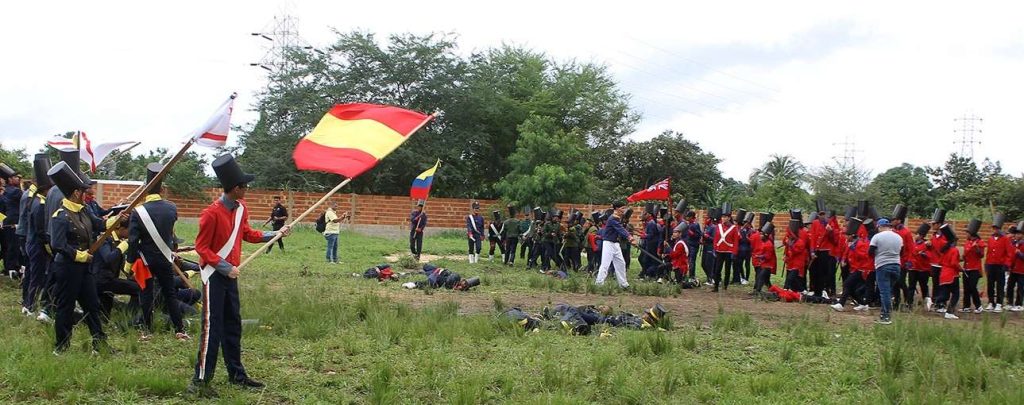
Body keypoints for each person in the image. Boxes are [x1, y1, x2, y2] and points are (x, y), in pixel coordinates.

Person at [189, 154, 291, 397]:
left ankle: (237, 375)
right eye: (245, 185)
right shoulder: (211, 213)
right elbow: (201, 248)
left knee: (232, 324)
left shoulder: (241, 208)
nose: (247, 189)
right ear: (236, 188)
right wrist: (224, 267)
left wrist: (275, 235)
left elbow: (247, 233)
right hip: (214, 275)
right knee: (211, 328)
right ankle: (199, 382)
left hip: (230, 276)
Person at [46, 161, 115, 354]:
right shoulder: (60, 216)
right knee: (65, 308)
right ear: (77, 193)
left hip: (84, 269)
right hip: (67, 268)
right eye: (85, 191)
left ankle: (100, 345)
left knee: (92, 305)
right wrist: (78, 255)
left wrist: (117, 219)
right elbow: (57, 245)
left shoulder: (84, 210)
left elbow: (99, 225)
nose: (87, 194)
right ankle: (61, 347)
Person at [127, 163, 188, 341]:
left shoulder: (138, 212)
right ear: (161, 188)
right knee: (170, 293)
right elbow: (169, 232)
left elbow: (132, 241)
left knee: (146, 293)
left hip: (145, 259)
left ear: (146, 190)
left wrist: (129, 261)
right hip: (164, 257)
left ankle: (147, 330)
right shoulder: (171, 208)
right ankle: (179, 329)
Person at [92, 216, 141, 320]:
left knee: (104, 317)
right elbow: (108, 258)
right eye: (130, 230)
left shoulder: (118, 241)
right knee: (139, 289)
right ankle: (131, 319)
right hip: (102, 280)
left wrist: (130, 274)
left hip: (109, 279)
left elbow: (120, 263)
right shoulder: (105, 239)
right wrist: (123, 246)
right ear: (122, 229)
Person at [22, 155, 53, 318]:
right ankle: (30, 305)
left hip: (33, 243)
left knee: (35, 275)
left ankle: (29, 303)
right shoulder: (40, 205)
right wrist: (48, 246)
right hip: (37, 245)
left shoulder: (36, 201)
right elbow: (41, 231)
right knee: (37, 277)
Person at [869, 218, 903, 325]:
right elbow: (902, 252)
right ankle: (886, 312)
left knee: (885, 292)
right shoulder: (898, 237)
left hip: (882, 265)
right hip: (896, 266)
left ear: (880, 226)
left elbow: (870, 252)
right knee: (888, 290)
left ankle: (886, 316)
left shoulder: (877, 237)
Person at [595, 201, 633, 289]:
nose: (624, 210)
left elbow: (621, 228)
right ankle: (599, 283)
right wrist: (629, 237)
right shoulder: (613, 218)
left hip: (615, 243)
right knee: (605, 264)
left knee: (621, 263)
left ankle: (623, 284)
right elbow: (620, 229)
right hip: (608, 243)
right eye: (622, 208)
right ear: (617, 208)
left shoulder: (617, 218)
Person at [933, 224, 962, 319]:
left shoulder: (945, 250)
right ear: (954, 241)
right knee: (956, 294)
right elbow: (954, 263)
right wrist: (960, 269)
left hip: (943, 274)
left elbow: (940, 262)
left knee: (945, 294)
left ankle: (935, 301)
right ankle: (949, 312)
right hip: (951, 275)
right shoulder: (954, 250)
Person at [984, 214, 1011, 312]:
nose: (995, 230)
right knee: (990, 284)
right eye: (994, 228)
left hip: (1000, 265)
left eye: (997, 228)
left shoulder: (1005, 239)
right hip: (991, 264)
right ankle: (991, 302)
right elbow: (989, 252)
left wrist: (1006, 264)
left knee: (1000, 284)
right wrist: (986, 264)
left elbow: (1009, 253)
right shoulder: (990, 239)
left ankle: (999, 303)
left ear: (1000, 229)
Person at [1, 163, 23, 279]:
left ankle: (9, 268)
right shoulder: (16, 191)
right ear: (9, 179)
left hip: (7, 222)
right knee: (13, 246)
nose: (18, 179)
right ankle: (12, 268)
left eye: (19, 178)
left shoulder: (6, 191)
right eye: (15, 177)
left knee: (8, 246)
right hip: (14, 222)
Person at [712, 204, 739, 292]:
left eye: (725, 217)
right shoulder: (718, 226)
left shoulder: (734, 228)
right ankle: (716, 286)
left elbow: (735, 241)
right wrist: (715, 248)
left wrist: (734, 252)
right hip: (720, 250)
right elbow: (716, 238)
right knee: (717, 269)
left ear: (729, 218)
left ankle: (726, 284)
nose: (723, 218)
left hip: (729, 251)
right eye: (723, 217)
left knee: (727, 269)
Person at [906, 223, 933, 310]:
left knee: (923, 286)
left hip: (922, 269)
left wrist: (924, 254)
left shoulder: (926, 244)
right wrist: (908, 265)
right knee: (911, 286)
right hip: (913, 268)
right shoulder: (913, 244)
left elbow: (930, 255)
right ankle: (909, 303)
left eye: (917, 234)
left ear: (921, 236)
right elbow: (910, 255)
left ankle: (927, 301)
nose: (915, 236)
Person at [961, 220, 985, 313]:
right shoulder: (967, 242)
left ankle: (978, 306)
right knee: (966, 287)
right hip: (966, 268)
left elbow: (981, 255)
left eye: (967, 232)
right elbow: (965, 255)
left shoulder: (980, 242)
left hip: (975, 268)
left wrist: (977, 248)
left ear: (971, 233)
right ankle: (966, 306)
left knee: (972, 287)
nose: (966, 234)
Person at [751, 223, 777, 294]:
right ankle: (774, 291)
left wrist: (760, 256)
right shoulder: (765, 242)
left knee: (761, 277)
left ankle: (757, 291)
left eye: (762, 234)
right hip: (764, 264)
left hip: (767, 265)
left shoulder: (768, 244)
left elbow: (768, 256)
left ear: (766, 235)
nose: (760, 236)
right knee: (766, 280)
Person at [1008, 226, 1024, 311]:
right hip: (1013, 269)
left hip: (1022, 270)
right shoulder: (1014, 243)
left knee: (1020, 287)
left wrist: (1019, 253)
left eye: (1019, 234)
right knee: (1010, 286)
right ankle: (1010, 303)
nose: (1017, 235)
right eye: (1016, 234)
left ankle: (1019, 304)